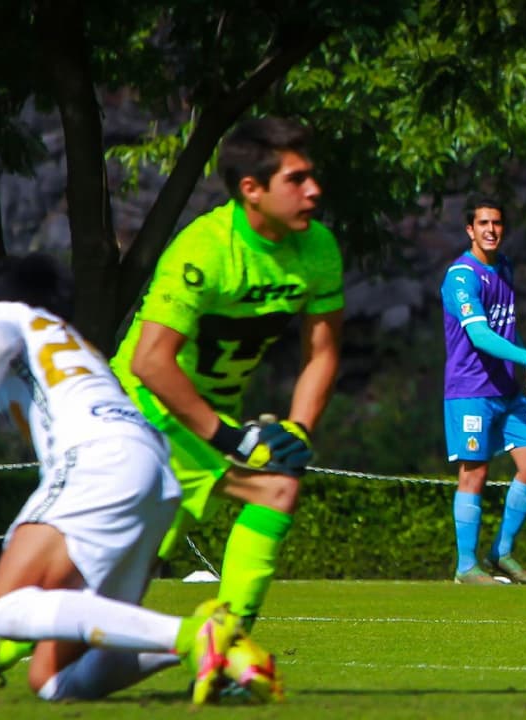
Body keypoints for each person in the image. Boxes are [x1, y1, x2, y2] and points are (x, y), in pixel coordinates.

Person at [0, 254, 279, 704]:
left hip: (99, 459)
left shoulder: (5, 314)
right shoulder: (78, 344)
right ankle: (219, 645)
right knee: (53, 682)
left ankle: (195, 635)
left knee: (6, 610)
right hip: (153, 474)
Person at [109, 116, 343, 632]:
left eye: (312, 176)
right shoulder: (205, 248)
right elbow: (150, 361)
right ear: (251, 190)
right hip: (147, 406)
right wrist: (227, 436)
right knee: (276, 488)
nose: (313, 190)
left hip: (204, 416)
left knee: (138, 564)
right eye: (296, 180)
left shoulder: (319, 248)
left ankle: (5, 646)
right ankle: (228, 646)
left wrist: (299, 427)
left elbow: (322, 352)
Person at [441, 195, 526, 585]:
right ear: (469, 230)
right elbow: (478, 334)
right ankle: (465, 567)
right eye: (483, 224)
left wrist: (522, 363)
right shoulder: (460, 276)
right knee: (474, 472)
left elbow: (504, 325)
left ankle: (501, 552)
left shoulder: (504, 268)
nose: (491, 230)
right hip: (470, 389)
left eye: (496, 223)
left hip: (507, 388)